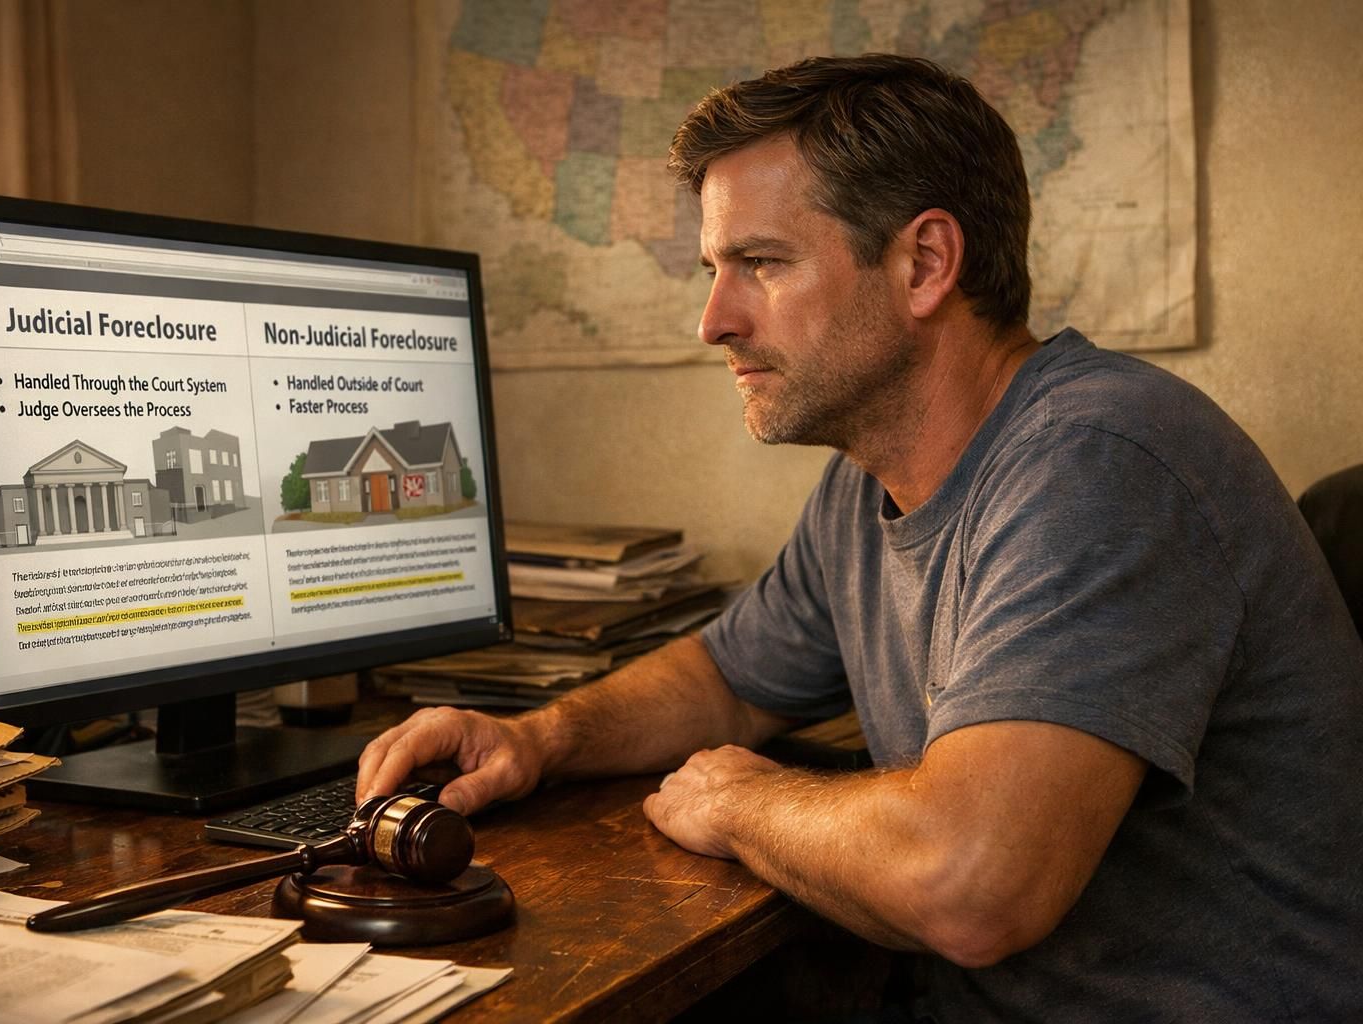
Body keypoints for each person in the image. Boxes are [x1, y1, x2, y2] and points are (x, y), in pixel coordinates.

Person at [358, 55, 1363, 1021]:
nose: (713, 320)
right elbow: (727, 678)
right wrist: (541, 738)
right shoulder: (865, 483)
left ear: (924, 262)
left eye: (759, 263)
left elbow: (971, 887)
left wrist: (745, 801)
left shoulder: (1098, 462)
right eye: (716, 268)